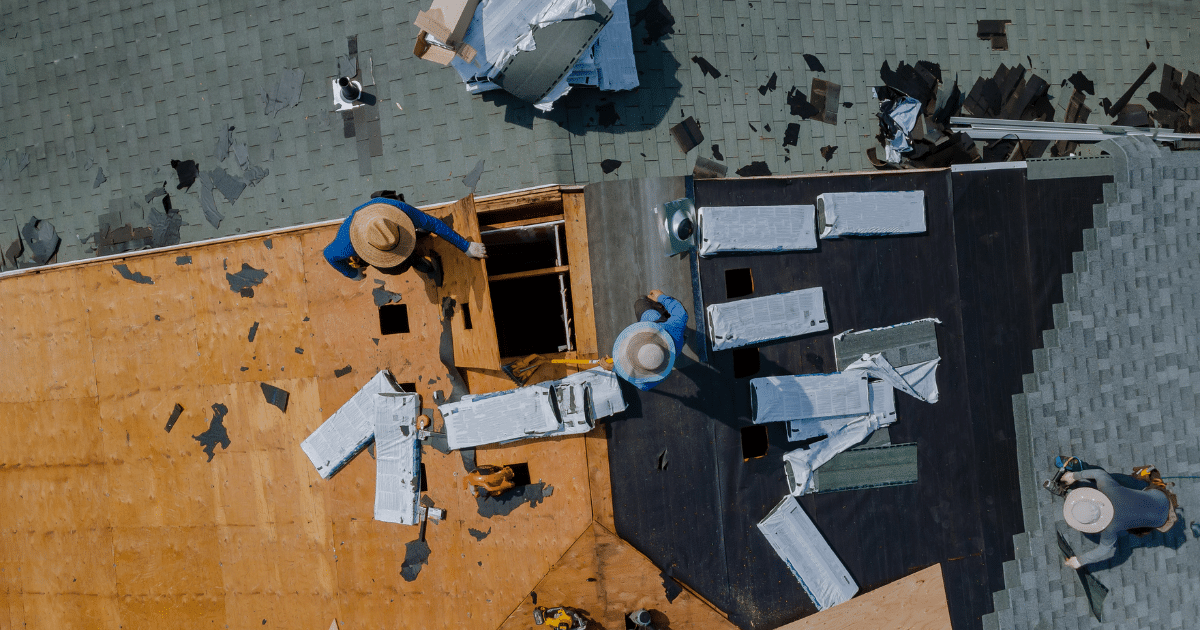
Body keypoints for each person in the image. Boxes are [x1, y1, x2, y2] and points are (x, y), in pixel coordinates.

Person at [322, 193, 486, 284]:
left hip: (394, 220)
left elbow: (434, 224)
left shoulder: (398, 209)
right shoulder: (347, 244)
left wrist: (467, 246)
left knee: (423, 224)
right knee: (396, 268)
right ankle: (416, 261)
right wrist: (353, 273)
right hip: (367, 240)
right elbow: (328, 255)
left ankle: (416, 236)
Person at [1060, 466, 1174, 568]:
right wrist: (1074, 475)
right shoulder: (1107, 487)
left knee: (1134, 527)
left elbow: (1104, 549)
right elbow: (1098, 473)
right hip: (1160, 496)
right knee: (1118, 480)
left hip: (1160, 520)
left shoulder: (1109, 528)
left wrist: (1080, 561)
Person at [611, 290, 688, 391]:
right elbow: (681, 313)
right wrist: (661, 297)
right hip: (674, 338)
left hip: (673, 351)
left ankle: (682, 339)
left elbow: (643, 386)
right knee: (640, 303)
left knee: (640, 305)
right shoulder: (674, 327)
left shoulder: (653, 378)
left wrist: (614, 368)